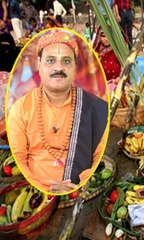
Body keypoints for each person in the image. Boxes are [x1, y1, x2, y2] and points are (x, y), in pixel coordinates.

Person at [8, 30, 108, 193]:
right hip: (36, 193)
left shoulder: (94, 107)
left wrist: (81, 183)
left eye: (66, 61)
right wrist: (43, 189)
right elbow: (19, 159)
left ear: (74, 68)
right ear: (39, 66)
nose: (58, 68)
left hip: (81, 189)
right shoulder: (21, 108)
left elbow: (99, 156)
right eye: (51, 61)